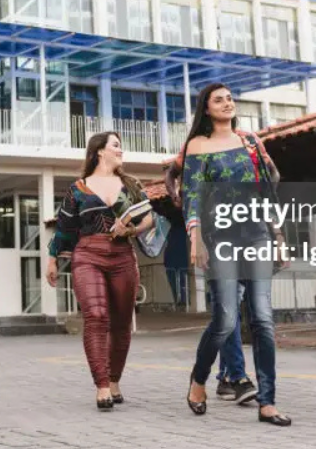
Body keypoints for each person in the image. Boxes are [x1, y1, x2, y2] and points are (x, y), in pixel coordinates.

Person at [179, 83, 291, 427]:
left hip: (256, 233)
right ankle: (199, 380)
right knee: (225, 320)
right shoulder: (198, 145)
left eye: (229, 98)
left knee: (263, 319)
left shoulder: (250, 141)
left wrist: (278, 235)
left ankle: (268, 401)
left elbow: (267, 190)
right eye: (219, 100)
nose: (227, 103)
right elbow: (191, 195)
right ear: (207, 109)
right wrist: (196, 238)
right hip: (220, 237)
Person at [45, 131, 155, 410]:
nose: (121, 150)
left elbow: (149, 220)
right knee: (95, 316)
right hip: (88, 255)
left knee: (120, 323)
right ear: (99, 151)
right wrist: (52, 258)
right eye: (115, 146)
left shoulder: (131, 185)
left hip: (122, 256)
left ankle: (115, 380)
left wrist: (130, 228)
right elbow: (65, 228)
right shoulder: (78, 189)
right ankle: (102, 386)